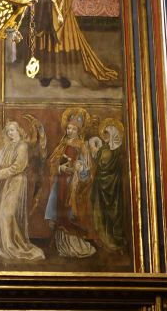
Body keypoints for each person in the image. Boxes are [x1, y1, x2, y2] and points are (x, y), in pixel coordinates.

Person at [0, 120, 44, 262]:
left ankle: (12, 247)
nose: (10, 133)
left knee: (7, 213)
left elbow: (17, 167)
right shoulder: (8, 146)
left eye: (13, 130)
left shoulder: (22, 146)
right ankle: (8, 246)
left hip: (16, 182)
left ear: (19, 131)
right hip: (8, 183)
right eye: (8, 130)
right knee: (4, 214)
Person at [30, 0, 119, 88]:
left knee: (62, 44)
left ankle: (62, 74)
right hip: (46, 12)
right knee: (49, 45)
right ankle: (49, 73)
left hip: (62, 13)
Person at [45, 109, 95, 258]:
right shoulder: (62, 144)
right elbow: (52, 162)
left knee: (69, 213)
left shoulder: (83, 146)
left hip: (73, 185)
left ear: (79, 130)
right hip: (60, 183)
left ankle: (74, 246)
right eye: (68, 128)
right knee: (59, 211)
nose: (70, 130)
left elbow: (89, 169)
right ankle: (62, 246)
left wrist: (80, 170)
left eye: (73, 128)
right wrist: (60, 168)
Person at [91, 121, 127, 252]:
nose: (104, 137)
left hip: (109, 187)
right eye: (103, 134)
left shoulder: (109, 150)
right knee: (103, 213)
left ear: (113, 135)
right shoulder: (110, 149)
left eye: (106, 134)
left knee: (111, 212)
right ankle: (105, 238)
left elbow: (102, 166)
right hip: (104, 186)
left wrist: (95, 152)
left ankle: (112, 239)